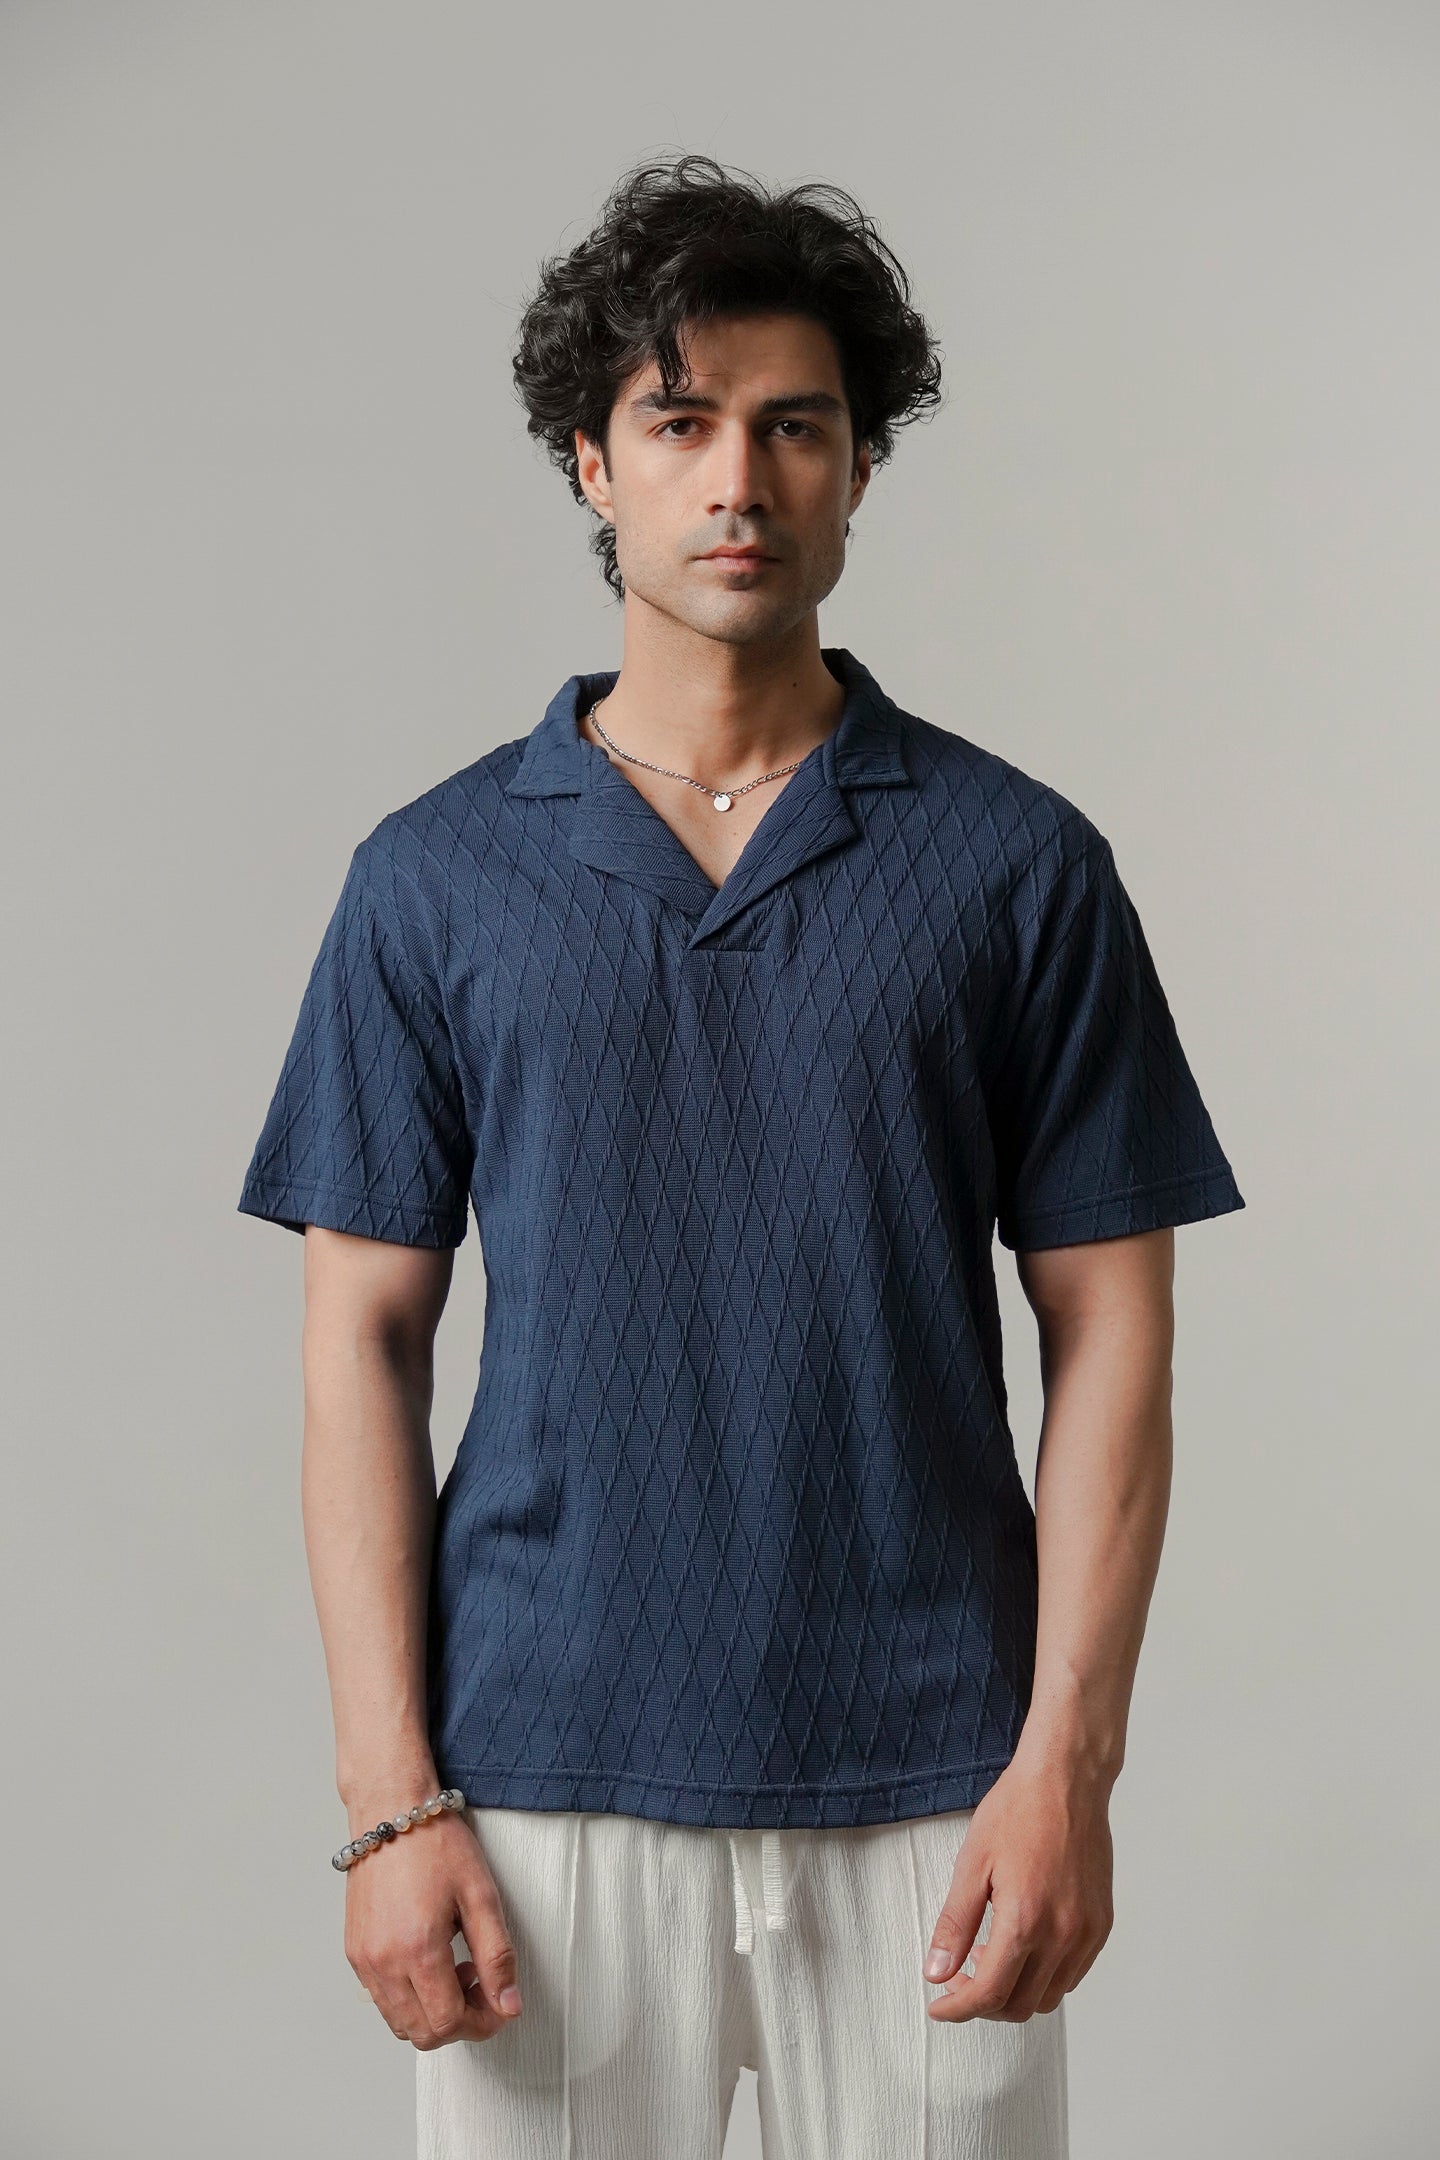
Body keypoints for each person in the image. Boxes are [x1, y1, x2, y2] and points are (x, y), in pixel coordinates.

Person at [237, 153, 1246, 2160]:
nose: (739, 483)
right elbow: (359, 1339)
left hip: (944, 1778)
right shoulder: (434, 878)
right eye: (680, 423)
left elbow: (1113, 1331)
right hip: (537, 1779)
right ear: (591, 465)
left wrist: (1069, 1764)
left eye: (796, 428)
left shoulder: (1017, 866)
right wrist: (387, 1803)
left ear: (860, 470)